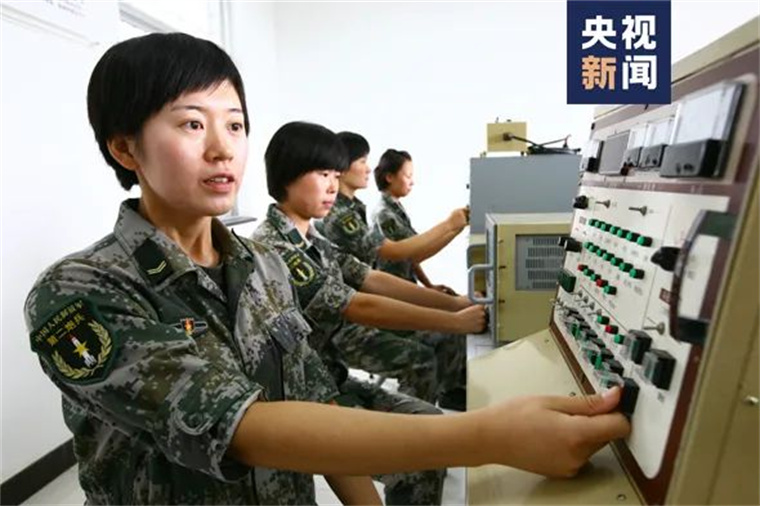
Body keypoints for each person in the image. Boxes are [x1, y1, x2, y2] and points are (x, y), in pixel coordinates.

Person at [26, 33, 631, 506]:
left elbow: (315, 398)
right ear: (125, 147)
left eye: (234, 124)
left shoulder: (261, 266)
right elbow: (241, 425)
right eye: (191, 124)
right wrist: (491, 435)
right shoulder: (81, 293)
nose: (222, 147)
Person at [318, 131, 467, 410]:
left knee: (444, 332)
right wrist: (450, 226)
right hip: (352, 320)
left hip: (367, 305)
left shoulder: (354, 211)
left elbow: (378, 270)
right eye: (362, 161)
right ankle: (416, 423)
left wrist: (443, 298)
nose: (368, 168)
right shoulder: (342, 216)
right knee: (425, 355)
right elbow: (400, 252)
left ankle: (435, 405)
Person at [372, 148, 459, 292]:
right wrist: (452, 227)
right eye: (408, 176)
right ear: (390, 177)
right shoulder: (385, 215)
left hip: (406, 284)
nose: (412, 182)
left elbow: (412, 249)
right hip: (394, 290)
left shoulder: (396, 209)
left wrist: (429, 285)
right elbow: (416, 253)